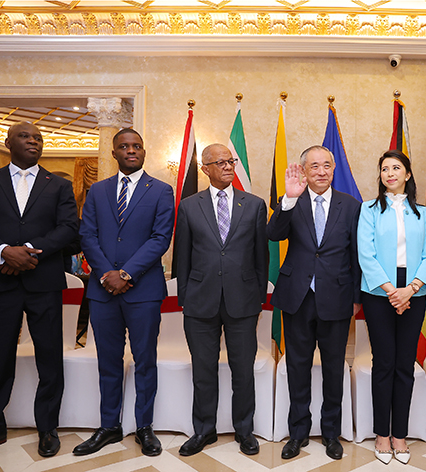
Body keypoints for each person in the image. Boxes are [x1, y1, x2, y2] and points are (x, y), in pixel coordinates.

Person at [0, 122, 79, 458]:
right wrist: (3, 252)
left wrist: (27, 252)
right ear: (8, 143)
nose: (34, 141)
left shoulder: (59, 185)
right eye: (25, 136)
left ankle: (47, 427)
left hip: (43, 281)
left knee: (49, 356)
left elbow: (69, 228)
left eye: (38, 138)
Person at [75, 128, 174, 457]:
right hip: (103, 291)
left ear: (144, 152)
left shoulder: (161, 190)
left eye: (137, 146)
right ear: (114, 152)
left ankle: (144, 426)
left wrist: (127, 273)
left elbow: (160, 238)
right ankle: (109, 426)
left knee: (145, 360)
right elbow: (87, 236)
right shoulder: (98, 190)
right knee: (108, 361)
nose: (131, 150)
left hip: (143, 291)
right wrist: (108, 274)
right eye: (124, 146)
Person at [267, 145, 361, 461]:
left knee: (334, 368)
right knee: (297, 367)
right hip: (298, 297)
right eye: (314, 166)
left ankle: (331, 433)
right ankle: (298, 432)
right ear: (304, 171)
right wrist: (288, 200)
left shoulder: (351, 205)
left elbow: (356, 255)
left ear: (333, 169)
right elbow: (273, 234)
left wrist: (356, 298)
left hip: (337, 297)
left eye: (327, 166)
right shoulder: (293, 200)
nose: (321, 172)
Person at [174, 144, 268, 456]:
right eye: (221, 162)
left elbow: (261, 257)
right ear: (205, 169)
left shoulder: (254, 205)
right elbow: (182, 257)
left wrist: (257, 298)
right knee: (203, 370)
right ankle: (204, 430)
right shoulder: (189, 206)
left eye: (231, 161)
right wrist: (185, 298)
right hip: (200, 301)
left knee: (243, 370)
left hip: (243, 301)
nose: (228, 166)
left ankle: (245, 430)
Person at [357, 150, 426, 465]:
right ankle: (381, 434)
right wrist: (393, 292)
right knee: (384, 363)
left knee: (405, 364)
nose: (390, 173)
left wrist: (411, 290)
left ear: (407, 174)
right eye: (384, 169)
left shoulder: (422, 213)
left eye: (396, 168)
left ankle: (400, 435)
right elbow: (366, 254)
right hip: (379, 294)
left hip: (414, 295)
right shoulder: (368, 210)